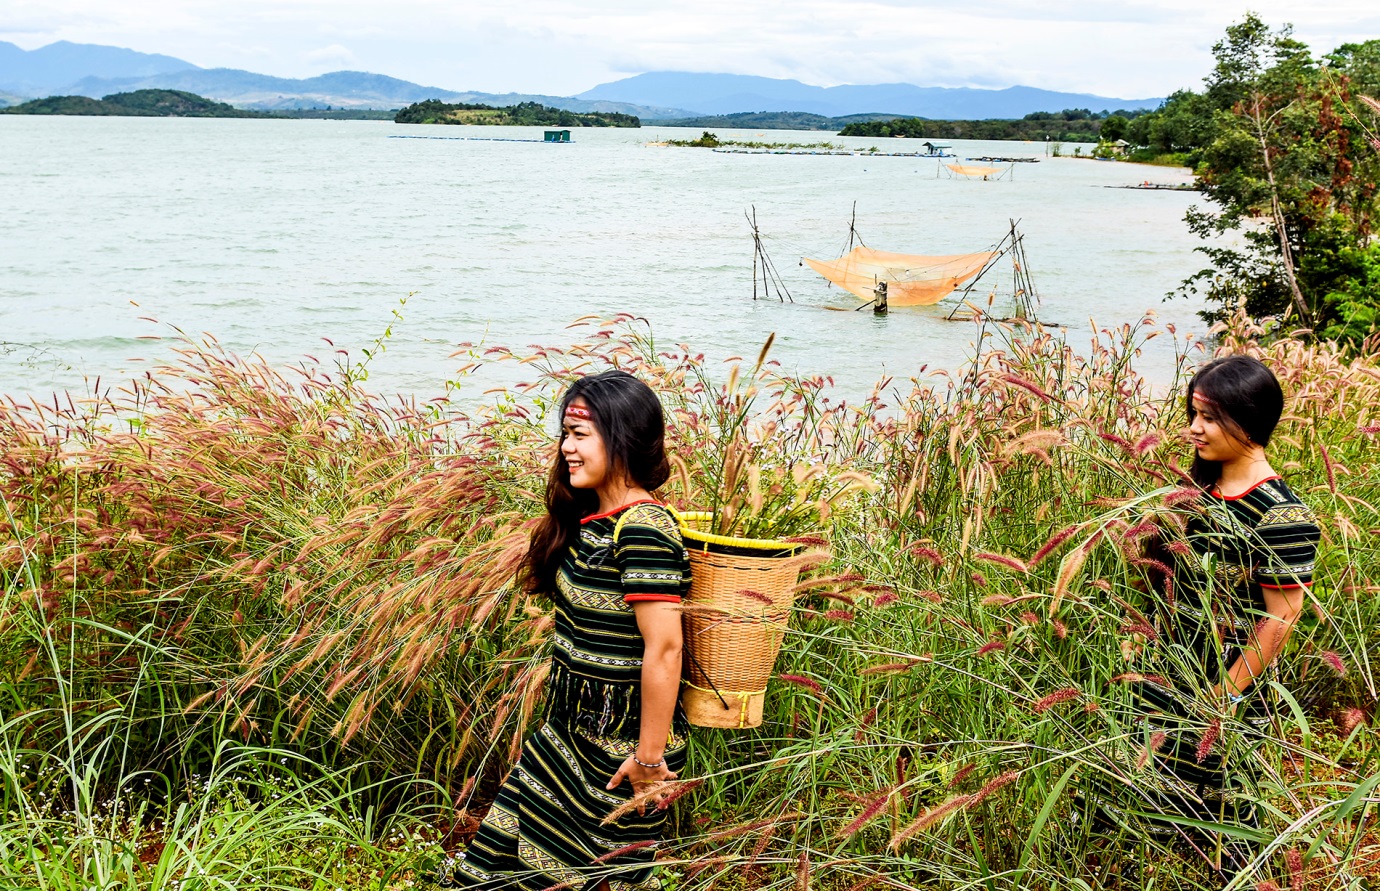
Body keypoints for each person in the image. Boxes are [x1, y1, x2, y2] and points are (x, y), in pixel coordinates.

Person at [436, 369, 690, 891]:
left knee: (597, 878)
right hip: (566, 733)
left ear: (621, 439)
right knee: (503, 866)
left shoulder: (642, 528)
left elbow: (665, 649)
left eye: (580, 434)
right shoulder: (595, 519)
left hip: (620, 747)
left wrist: (647, 760)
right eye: (565, 434)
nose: (566, 448)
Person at [1100, 355, 1321, 880]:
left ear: (1252, 420)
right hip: (1162, 675)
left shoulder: (1282, 515)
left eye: (1211, 416)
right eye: (1194, 413)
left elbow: (1281, 619)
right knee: (1146, 814)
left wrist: (1222, 699)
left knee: (1222, 825)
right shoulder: (1196, 492)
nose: (1194, 429)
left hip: (1221, 691)